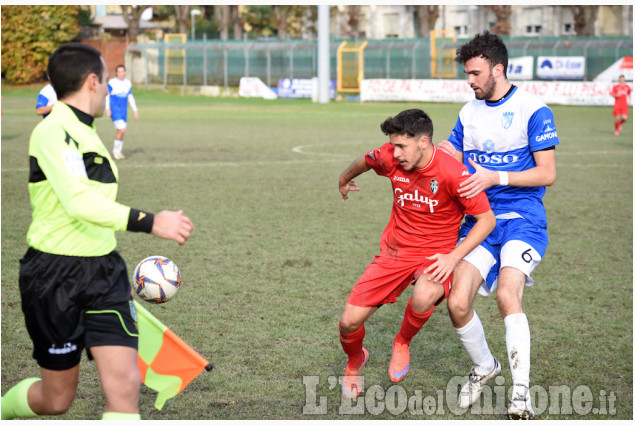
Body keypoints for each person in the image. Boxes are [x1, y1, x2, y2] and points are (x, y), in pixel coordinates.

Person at [1, 43, 194, 421]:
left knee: (125, 388)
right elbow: (78, 201)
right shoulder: (53, 130)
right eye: (105, 81)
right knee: (57, 400)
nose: (108, 88)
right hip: (53, 275)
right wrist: (152, 221)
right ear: (93, 81)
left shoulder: (88, 133)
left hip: (105, 273)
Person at [437, 31, 559, 420]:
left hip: (522, 218)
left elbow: (547, 173)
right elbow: (453, 155)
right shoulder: (467, 111)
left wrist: (496, 178)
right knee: (457, 303)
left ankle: (520, 395)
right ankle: (486, 367)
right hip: (479, 220)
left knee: (509, 295)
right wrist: (437, 153)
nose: (470, 81)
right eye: (467, 74)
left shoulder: (532, 109)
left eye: (475, 73)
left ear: (497, 68)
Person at [338, 109, 495, 399]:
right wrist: (344, 178)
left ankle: (402, 341)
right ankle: (355, 360)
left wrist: (452, 257)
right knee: (348, 322)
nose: (395, 153)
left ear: (423, 142)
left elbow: (487, 220)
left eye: (401, 146)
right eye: (393, 145)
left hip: (435, 256)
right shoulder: (390, 156)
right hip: (394, 254)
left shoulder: (453, 173)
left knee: (423, 296)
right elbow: (367, 160)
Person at [106, 64, 139, 160]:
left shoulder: (128, 83)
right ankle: (115, 151)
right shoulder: (112, 82)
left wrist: (135, 110)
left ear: (125, 72)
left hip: (123, 111)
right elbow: (107, 96)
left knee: (121, 132)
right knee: (122, 130)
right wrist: (107, 108)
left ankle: (118, 151)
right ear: (116, 73)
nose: (120, 73)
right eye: (118, 71)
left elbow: (130, 97)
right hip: (115, 110)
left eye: (122, 71)